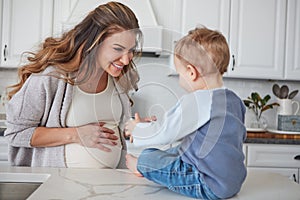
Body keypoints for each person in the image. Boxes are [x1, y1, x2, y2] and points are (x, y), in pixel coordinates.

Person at [4, 1, 143, 169]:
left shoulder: (119, 80)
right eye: (118, 49)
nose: (127, 59)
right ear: (94, 42)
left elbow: (113, 131)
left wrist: (136, 128)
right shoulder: (51, 77)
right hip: (62, 187)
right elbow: (16, 133)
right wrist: (75, 135)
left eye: (131, 50)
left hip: (108, 188)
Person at [125, 27, 247, 199]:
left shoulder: (199, 100)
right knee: (180, 149)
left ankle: (140, 166)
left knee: (149, 156)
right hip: (233, 182)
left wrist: (137, 129)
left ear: (191, 72)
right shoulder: (234, 100)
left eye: (180, 73)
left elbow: (165, 132)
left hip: (205, 182)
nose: (181, 79)